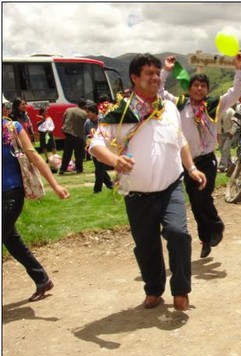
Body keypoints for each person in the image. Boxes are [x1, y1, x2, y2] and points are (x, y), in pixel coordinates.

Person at [90, 53, 206, 311]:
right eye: (149, 74)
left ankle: (181, 290)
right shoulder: (119, 113)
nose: (156, 78)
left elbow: (180, 142)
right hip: (136, 193)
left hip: (170, 187)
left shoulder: (168, 108)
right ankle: (154, 289)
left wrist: (192, 168)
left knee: (178, 235)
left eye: (157, 73)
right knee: (146, 246)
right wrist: (114, 160)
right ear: (135, 78)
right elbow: (95, 143)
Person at [159, 53, 241, 258]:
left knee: (203, 196)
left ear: (207, 90)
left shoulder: (214, 106)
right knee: (195, 202)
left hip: (206, 159)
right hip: (187, 161)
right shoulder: (178, 104)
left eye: (203, 86)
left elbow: (235, 93)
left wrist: (239, 69)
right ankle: (205, 239)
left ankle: (216, 225)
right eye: (195, 85)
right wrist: (166, 70)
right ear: (189, 89)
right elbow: (159, 92)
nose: (199, 89)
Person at [2, 99, 70, 302]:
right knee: (11, 240)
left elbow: (35, 156)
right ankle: (42, 279)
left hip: (11, 193)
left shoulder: (12, 128)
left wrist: (55, 185)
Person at [84, 103, 113, 193]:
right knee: (100, 168)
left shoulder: (103, 120)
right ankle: (110, 185)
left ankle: (97, 189)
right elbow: (84, 134)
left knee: (99, 168)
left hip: (103, 146)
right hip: (93, 147)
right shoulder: (87, 123)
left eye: (88, 112)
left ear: (94, 112)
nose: (87, 114)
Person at [59, 98, 87, 174]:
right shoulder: (84, 113)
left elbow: (63, 119)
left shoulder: (68, 110)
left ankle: (62, 169)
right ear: (84, 106)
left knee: (67, 152)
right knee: (79, 153)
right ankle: (79, 168)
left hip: (68, 132)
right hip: (78, 134)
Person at [217, 105, 237, 173]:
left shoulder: (231, 111)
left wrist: (232, 132)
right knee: (222, 149)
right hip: (220, 133)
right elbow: (216, 123)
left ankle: (222, 166)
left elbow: (236, 123)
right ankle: (230, 165)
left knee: (225, 149)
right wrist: (217, 133)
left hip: (229, 133)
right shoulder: (218, 111)